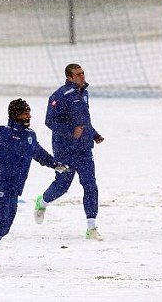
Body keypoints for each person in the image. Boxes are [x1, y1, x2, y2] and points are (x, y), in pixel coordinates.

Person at [0, 87, 69, 271]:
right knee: (0, 227)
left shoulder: (30, 137)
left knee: (3, 229)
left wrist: (55, 164)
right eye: (26, 114)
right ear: (16, 115)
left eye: (30, 113)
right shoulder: (2, 133)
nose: (29, 117)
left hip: (14, 189)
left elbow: (40, 154)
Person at [34, 63, 104, 240]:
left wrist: (93, 134)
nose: (82, 76)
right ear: (69, 77)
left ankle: (91, 227)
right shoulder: (59, 96)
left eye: (83, 73)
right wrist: (71, 132)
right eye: (78, 74)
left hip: (84, 149)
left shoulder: (84, 93)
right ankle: (42, 201)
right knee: (62, 186)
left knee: (90, 185)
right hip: (65, 150)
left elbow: (83, 120)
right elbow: (49, 121)